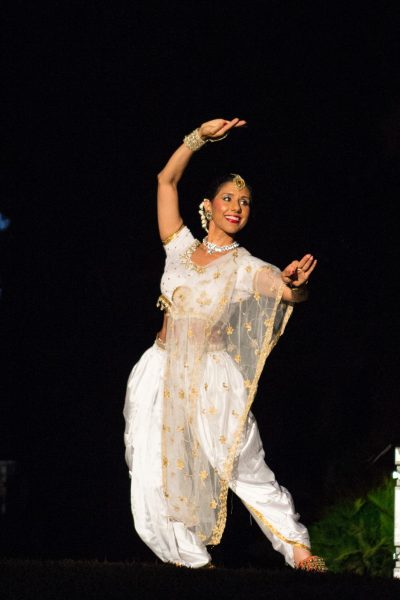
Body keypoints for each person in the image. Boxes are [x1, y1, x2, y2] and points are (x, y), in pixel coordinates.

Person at [123, 118, 327, 572]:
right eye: (229, 199)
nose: (237, 206)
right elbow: (166, 179)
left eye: (246, 202)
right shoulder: (178, 248)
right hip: (158, 370)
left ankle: (297, 549)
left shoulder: (244, 266)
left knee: (239, 462)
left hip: (211, 378)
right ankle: (189, 560)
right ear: (208, 207)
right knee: (149, 465)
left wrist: (296, 285)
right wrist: (198, 137)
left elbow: (287, 291)